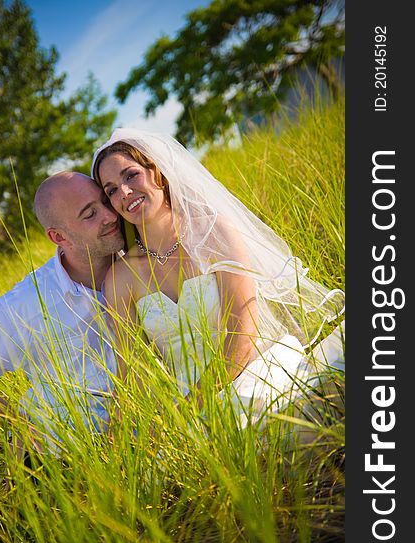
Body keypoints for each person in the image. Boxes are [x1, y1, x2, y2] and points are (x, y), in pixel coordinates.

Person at [91, 128, 345, 427]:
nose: (124, 192)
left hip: (248, 371)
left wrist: (198, 402)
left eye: (131, 175)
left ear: (157, 172)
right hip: (182, 403)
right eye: (111, 190)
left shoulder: (214, 233)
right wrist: (125, 431)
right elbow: (132, 370)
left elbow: (243, 333)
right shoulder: (121, 277)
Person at [0, 171, 125, 442]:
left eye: (104, 202)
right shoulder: (29, 302)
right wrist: (18, 428)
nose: (110, 216)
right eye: (89, 214)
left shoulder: (141, 260)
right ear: (59, 237)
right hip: (68, 454)